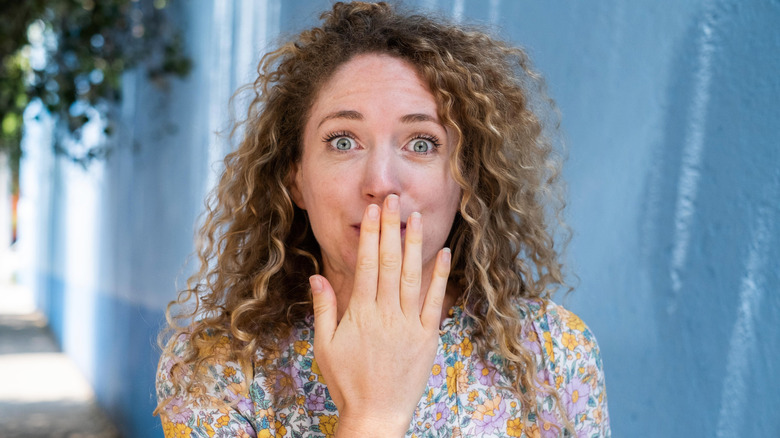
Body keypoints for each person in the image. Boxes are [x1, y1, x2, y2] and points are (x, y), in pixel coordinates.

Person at [155, 2, 610, 437]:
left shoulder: (554, 353)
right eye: (342, 141)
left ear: (468, 179)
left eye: (421, 143)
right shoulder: (216, 369)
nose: (380, 181)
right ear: (295, 178)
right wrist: (373, 417)